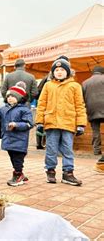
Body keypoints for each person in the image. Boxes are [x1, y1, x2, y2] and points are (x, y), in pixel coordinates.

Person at [36, 58, 87, 186]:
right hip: (51, 122)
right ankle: (50, 171)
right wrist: (40, 121)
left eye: (62, 70)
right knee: (51, 149)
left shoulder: (75, 86)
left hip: (68, 123)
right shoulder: (48, 85)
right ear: (53, 72)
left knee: (67, 149)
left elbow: (79, 105)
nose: (59, 72)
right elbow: (41, 104)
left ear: (68, 72)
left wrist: (81, 124)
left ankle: (68, 173)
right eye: (56, 70)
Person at [0, 82, 33, 186]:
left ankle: (18, 175)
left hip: (19, 140)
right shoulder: (4, 109)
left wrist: (16, 125)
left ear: (20, 98)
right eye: (8, 96)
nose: (10, 98)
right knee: (12, 157)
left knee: (18, 159)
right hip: (8, 139)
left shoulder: (24, 110)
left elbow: (29, 124)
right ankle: (19, 173)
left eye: (13, 96)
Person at [82, 65, 104, 156]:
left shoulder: (85, 83)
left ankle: (96, 150)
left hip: (92, 109)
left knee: (96, 130)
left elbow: (82, 98)